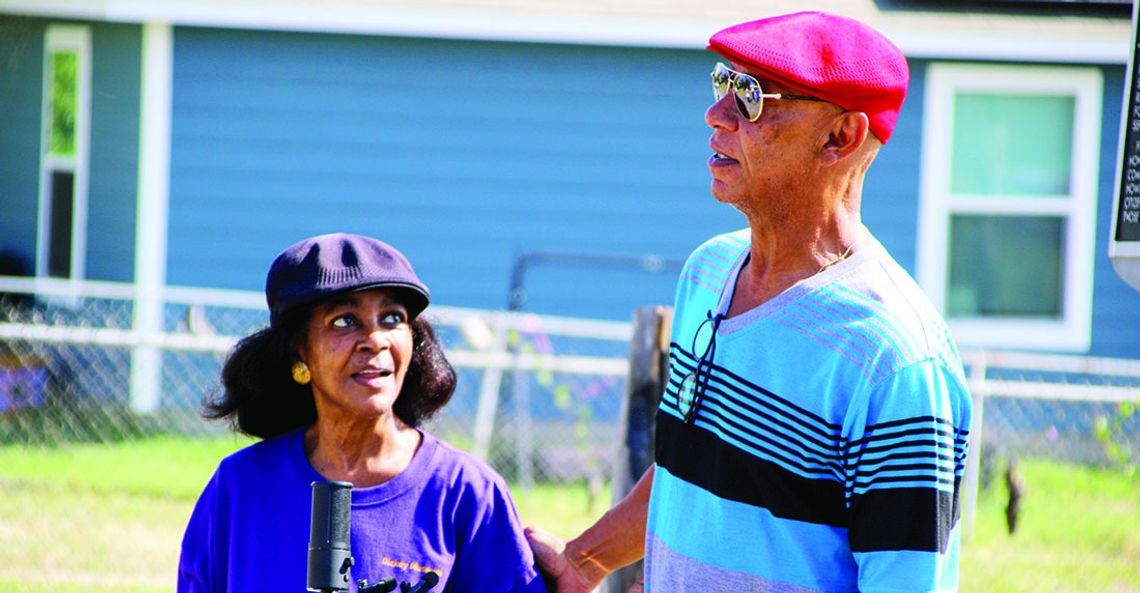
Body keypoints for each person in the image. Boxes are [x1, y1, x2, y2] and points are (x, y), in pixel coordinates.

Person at [525, 11, 972, 593]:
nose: (716, 114)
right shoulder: (708, 272)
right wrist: (583, 560)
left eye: (752, 95)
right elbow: (694, 472)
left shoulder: (895, 360)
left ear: (840, 137)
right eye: (722, 83)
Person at [179, 233, 547, 593]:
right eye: (344, 321)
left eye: (391, 318)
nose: (376, 339)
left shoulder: (464, 491)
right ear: (297, 351)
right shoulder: (240, 486)